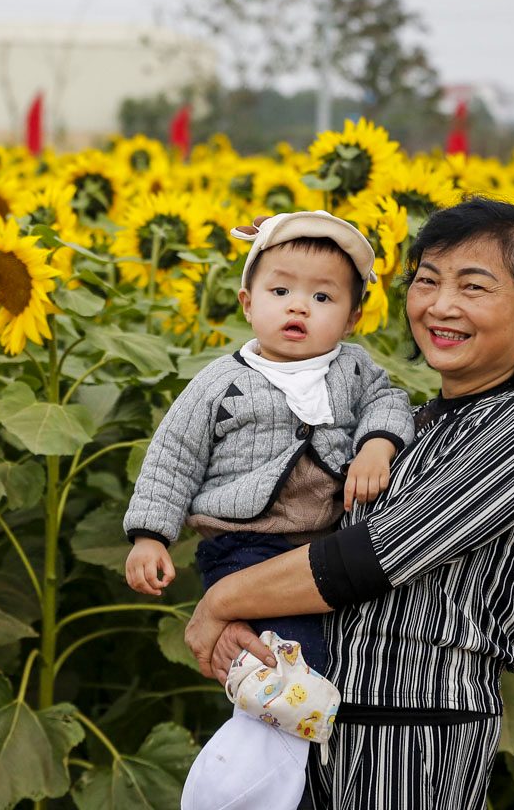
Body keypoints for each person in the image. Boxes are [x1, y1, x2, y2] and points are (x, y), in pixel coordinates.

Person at [183, 197, 514, 810]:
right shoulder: (414, 425)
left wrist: (219, 602)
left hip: (414, 738)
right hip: (328, 727)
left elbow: (366, 557)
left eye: (474, 287)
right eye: (427, 281)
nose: (442, 306)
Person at [123, 210, 414, 673]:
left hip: (325, 547)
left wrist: (377, 445)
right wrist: (149, 536)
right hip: (244, 544)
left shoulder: (354, 369)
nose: (298, 306)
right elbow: (173, 457)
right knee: (289, 656)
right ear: (248, 303)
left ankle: (295, 736)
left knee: (341, 651)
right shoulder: (221, 382)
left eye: (322, 296)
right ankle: (274, 739)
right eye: (280, 292)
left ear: (353, 317)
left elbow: (389, 402)